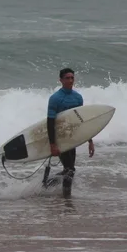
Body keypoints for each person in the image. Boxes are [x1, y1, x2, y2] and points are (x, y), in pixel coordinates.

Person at [45, 67, 95, 197]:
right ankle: (66, 198)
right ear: (61, 80)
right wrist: (52, 144)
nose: (70, 80)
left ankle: (46, 184)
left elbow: (81, 120)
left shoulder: (78, 98)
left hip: (72, 137)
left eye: (72, 78)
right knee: (70, 169)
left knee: (68, 169)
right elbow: (50, 122)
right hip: (60, 137)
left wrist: (90, 141)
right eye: (67, 78)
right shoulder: (55, 98)